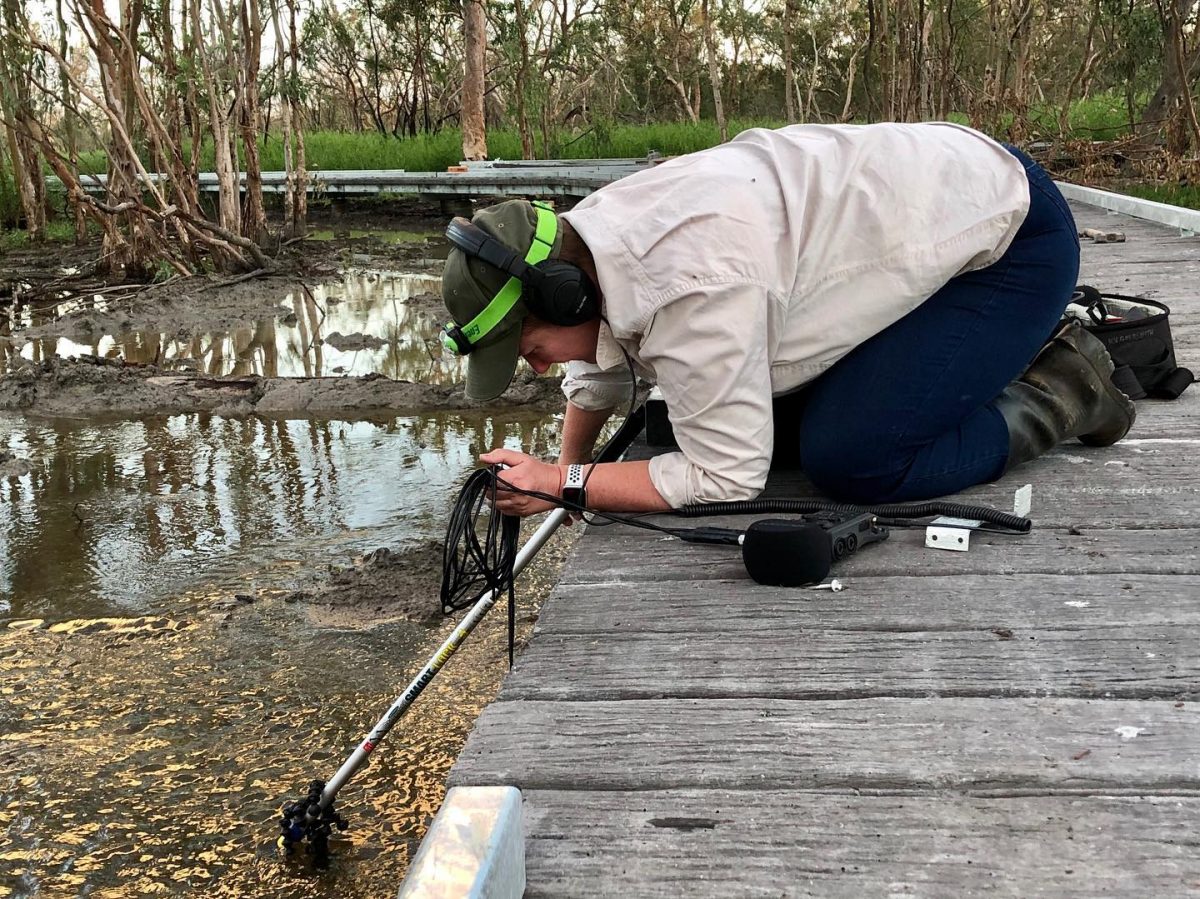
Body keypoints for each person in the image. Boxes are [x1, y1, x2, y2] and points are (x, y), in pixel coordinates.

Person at [438, 121, 1135, 519]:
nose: (536, 367)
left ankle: (1067, 386)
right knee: (686, 421)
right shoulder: (585, 244)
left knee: (853, 456)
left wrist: (565, 484)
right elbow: (591, 372)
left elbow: (724, 478)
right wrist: (562, 478)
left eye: (530, 349)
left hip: (1012, 240)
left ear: (564, 295)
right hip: (927, 213)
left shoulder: (691, 280)